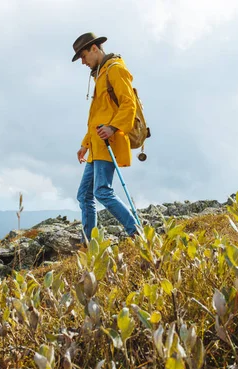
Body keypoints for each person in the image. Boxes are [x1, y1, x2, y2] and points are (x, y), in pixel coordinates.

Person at [71, 32, 138, 242]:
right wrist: (85, 144)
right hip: (97, 144)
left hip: (109, 141)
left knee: (101, 191)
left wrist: (113, 127)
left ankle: (136, 232)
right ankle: (89, 243)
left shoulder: (115, 70)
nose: (83, 62)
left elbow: (129, 104)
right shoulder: (100, 74)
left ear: (94, 48)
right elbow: (98, 116)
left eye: (83, 56)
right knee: (84, 195)